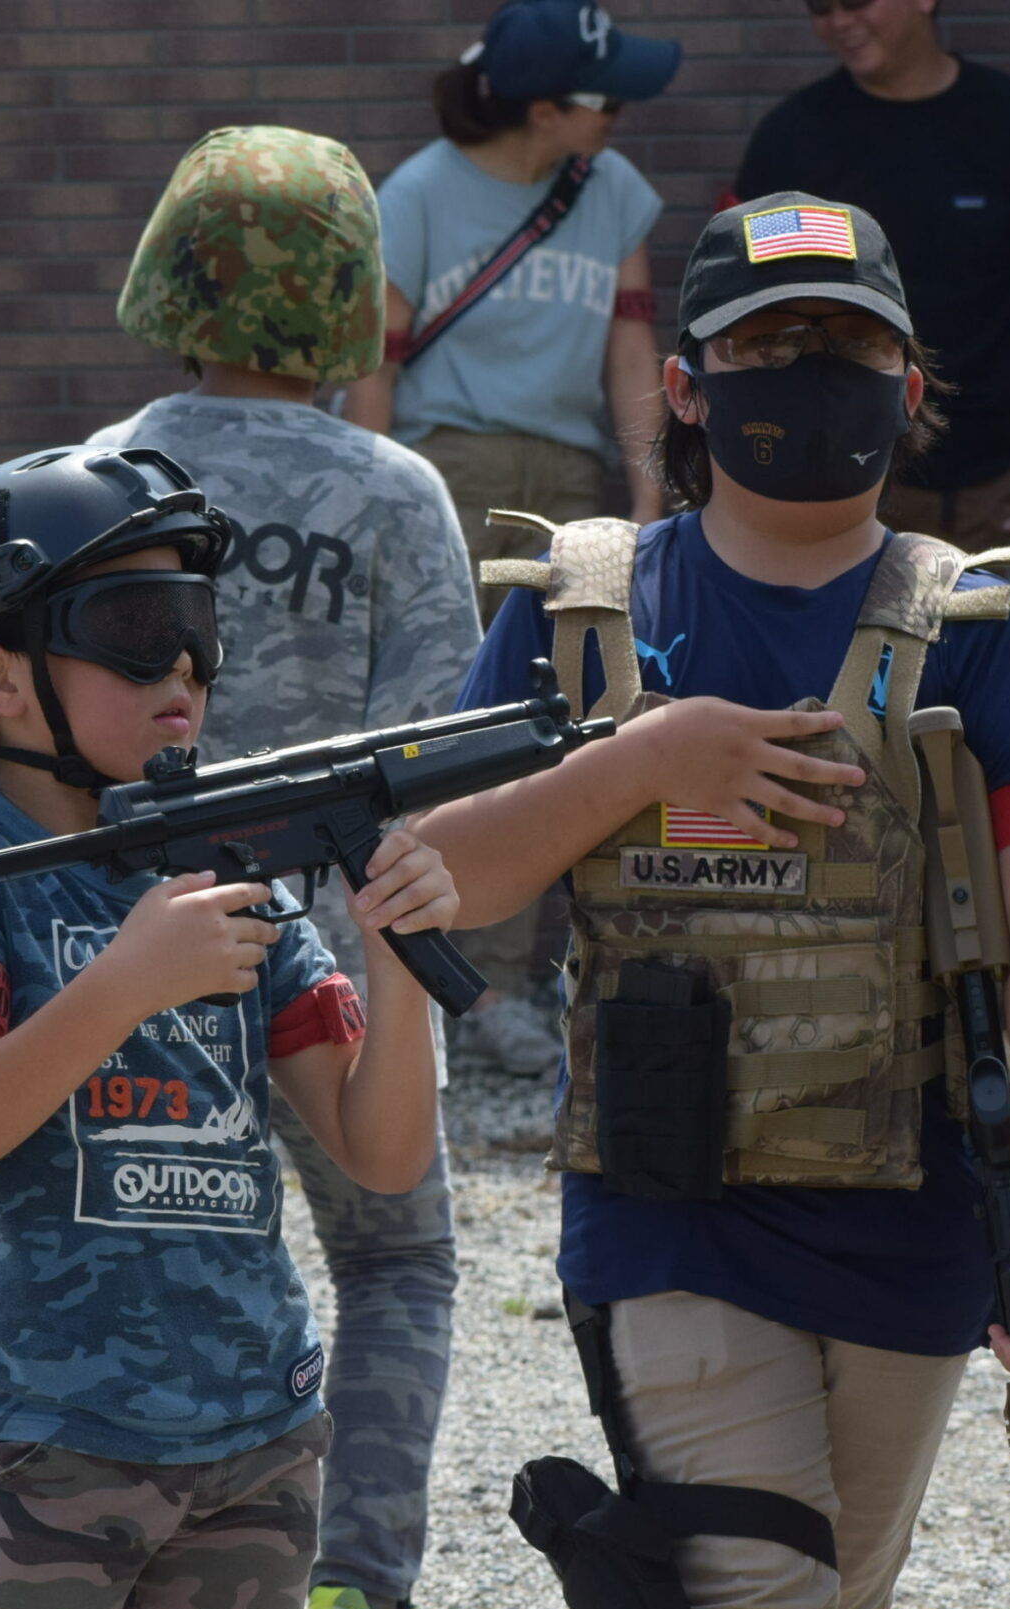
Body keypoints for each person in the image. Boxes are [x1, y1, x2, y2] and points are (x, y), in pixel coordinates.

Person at [419, 194, 1010, 1609]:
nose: (813, 372)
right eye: (770, 342)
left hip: (915, 1222)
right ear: (686, 387)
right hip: (669, 1216)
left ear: (910, 386)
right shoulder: (582, 615)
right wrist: (641, 760)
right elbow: (436, 880)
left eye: (850, 344)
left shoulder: (982, 629)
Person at [0, 445, 456, 1609]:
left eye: (198, 631)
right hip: (45, 1442)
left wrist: (397, 955)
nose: (183, 669)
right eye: (137, 630)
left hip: (257, 1441)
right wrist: (124, 983)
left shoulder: (230, 864)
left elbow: (382, 1151)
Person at [93, 125, 482, 1609]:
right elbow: (438, 758)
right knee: (399, 1257)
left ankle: (115, 1574)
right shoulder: (396, 492)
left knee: (144, 1256)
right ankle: (354, 1594)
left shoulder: (99, 477)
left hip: (126, 954)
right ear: (350, 303)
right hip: (331, 965)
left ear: (167, 277)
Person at [346, 0, 682, 1079]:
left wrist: (648, 497)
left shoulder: (612, 191)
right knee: (452, 727)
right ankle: (459, 980)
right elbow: (376, 365)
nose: (620, 115)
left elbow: (630, 349)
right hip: (452, 474)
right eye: (605, 98)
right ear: (546, 109)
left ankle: (522, 972)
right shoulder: (418, 194)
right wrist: (378, 504)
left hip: (571, 483)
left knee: (564, 728)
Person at [730, 0, 1010, 554]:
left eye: (855, 2)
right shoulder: (792, 138)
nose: (838, 22)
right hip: (828, 479)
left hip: (985, 481)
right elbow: (737, 305)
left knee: (979, 613)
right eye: (820, 8)